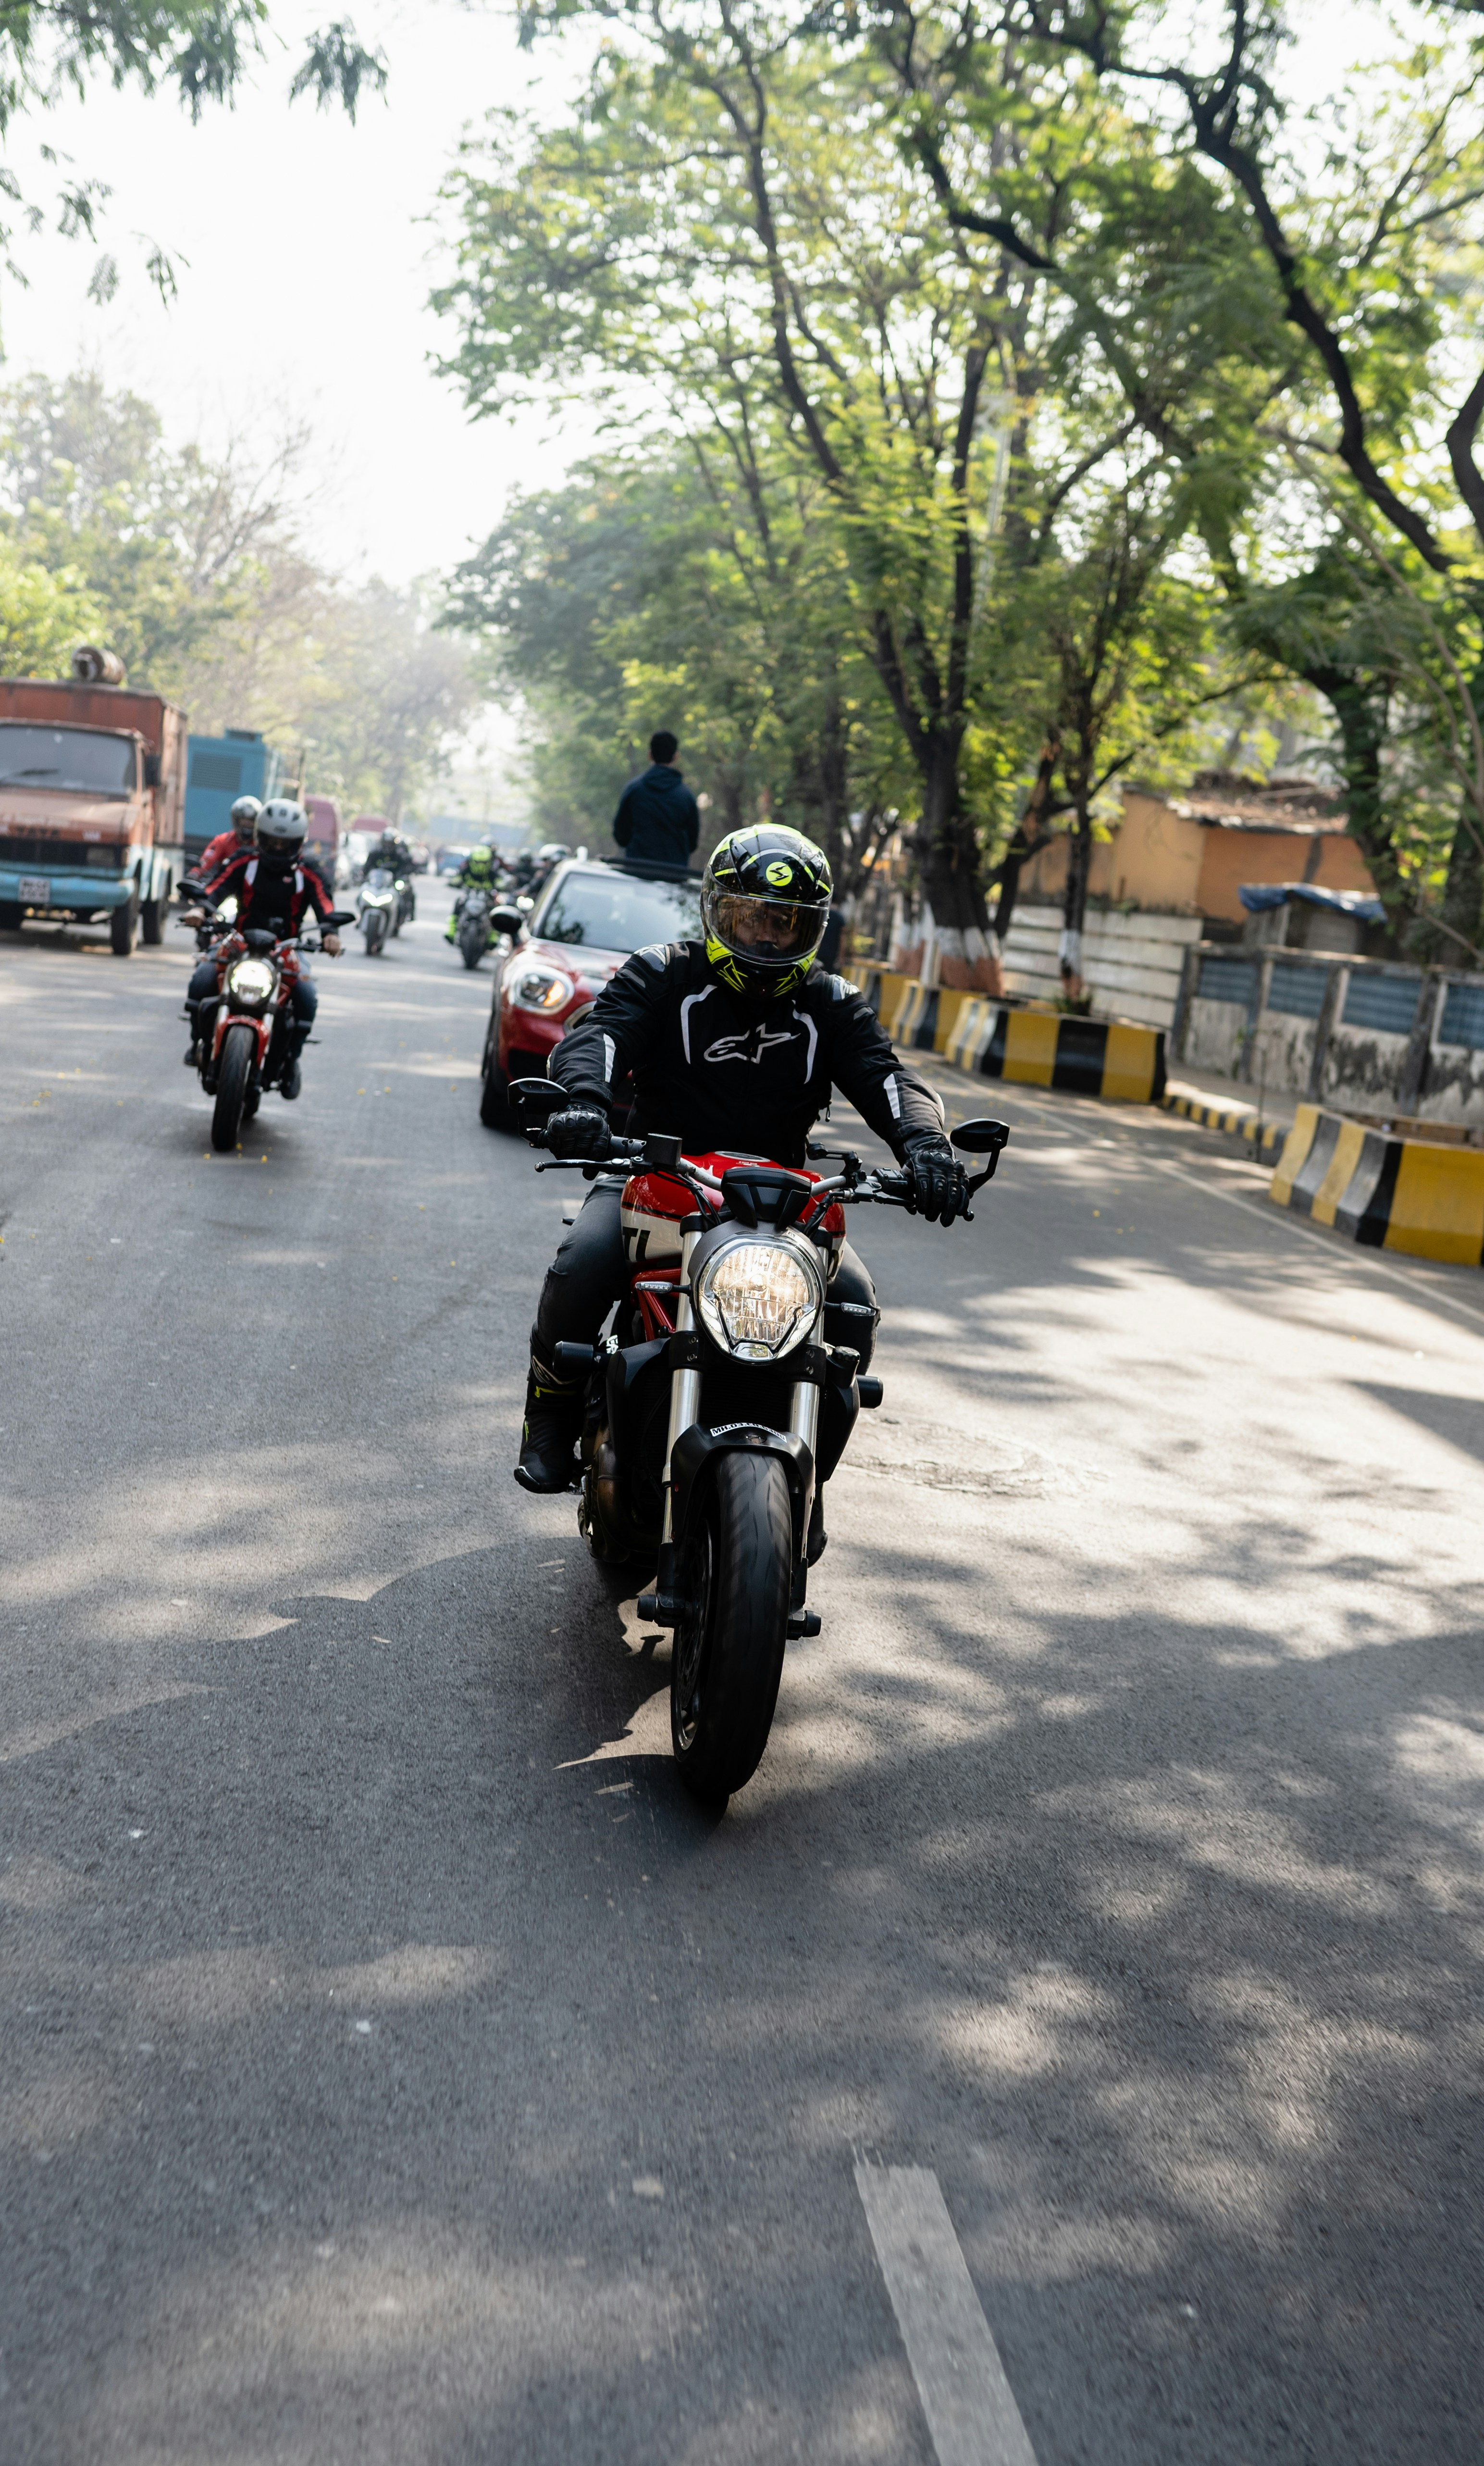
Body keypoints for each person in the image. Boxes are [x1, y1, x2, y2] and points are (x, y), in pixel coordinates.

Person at [514, 822, 969, 1500]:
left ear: (810, 930)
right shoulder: (664, 972)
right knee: (584, 1258)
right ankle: (548, 1416)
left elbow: (888, 1078)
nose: (764, 938)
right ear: (715, 911)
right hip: (653, 1172)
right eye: (749, 917)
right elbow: (599, 1035)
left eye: (785, 923)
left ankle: (804, 1474)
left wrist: (928, 1145)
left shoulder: (831, 1002)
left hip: (781, 1196)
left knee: (852, 1303)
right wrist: (583, 1105)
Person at [186, 800, 343, 1098]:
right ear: (260, 837)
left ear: (299, 843)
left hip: (287, 949)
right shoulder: (244, 861)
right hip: (240, 942)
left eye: (286, 843)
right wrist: (200, 911)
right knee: (202, 979)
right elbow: (215, 889)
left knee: (307, 997)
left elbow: (325, 903)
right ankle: (198, 1045)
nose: (278, 848)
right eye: (271, 840)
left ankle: (291, 1061)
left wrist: (331, 934)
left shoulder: (308, 871)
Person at [611, 732, 701, 869]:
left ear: (650, 755)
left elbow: (621, 835)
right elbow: (692, 843)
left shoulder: (634, 790)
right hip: (674, 876)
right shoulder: (686, 796)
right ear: (676, 757)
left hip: (638, 872)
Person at [196, 794, 261, 880]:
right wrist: (195, 873)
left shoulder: (261, 845)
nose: (247, 825)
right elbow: (206, 861)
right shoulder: (223, 841)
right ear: (236, 821)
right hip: (225, 886)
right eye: (244, 821)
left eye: (251, 821)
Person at [445, 839, 498, 943]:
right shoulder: (467, 868)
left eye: (484, 862)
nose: (481, 865)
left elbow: (500, 880)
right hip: (470, 895)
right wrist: (454, 882)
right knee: (459, 903)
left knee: (496, 908)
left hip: (486, 897)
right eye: (478, 862)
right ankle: (451, 931)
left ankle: (493, 937)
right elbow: (458, 877)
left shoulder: (492, 871)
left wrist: (503, 885)